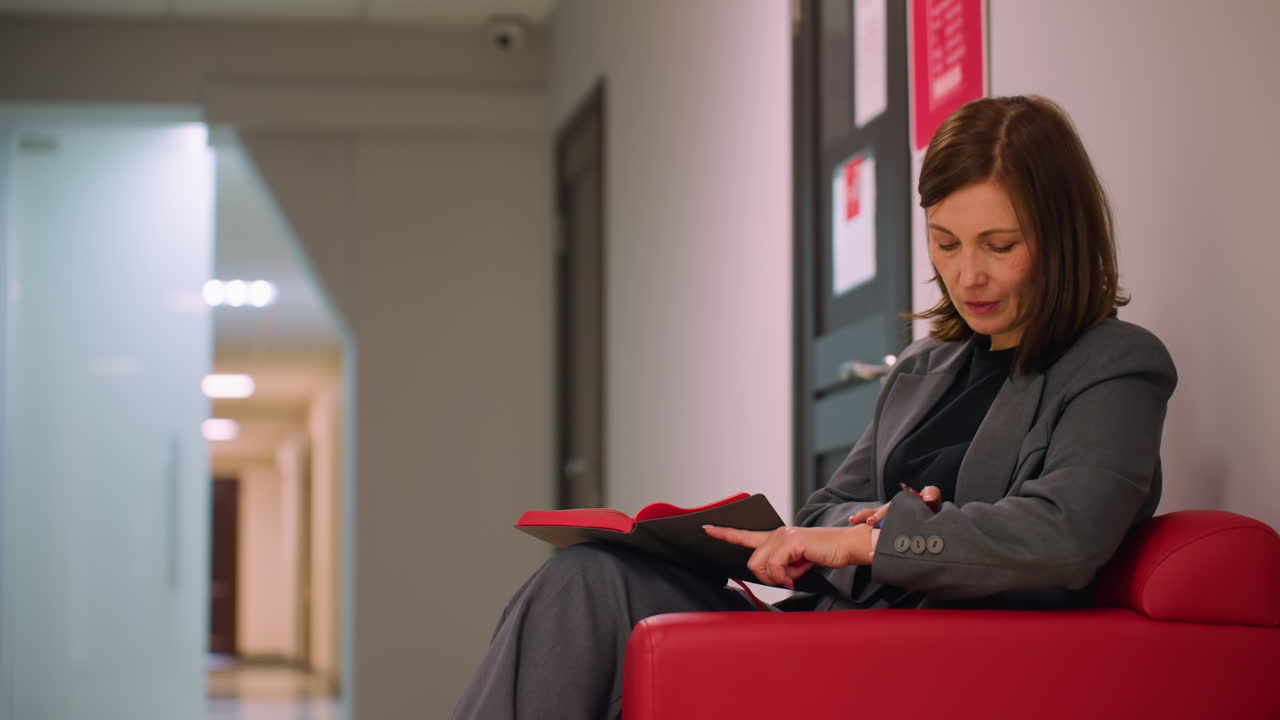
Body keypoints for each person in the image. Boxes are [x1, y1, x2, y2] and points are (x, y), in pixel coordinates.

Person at [451, 95, 1176, 720]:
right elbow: (828, 506)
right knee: (587, 579)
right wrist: (841, 532)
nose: (967, 274)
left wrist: (879, 539)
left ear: (1061, 238)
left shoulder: (1116, 364)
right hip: (832, 627)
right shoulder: (927, 366)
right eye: (946, 243)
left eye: (999, 245)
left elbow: (1065, 536)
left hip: (926, 660)